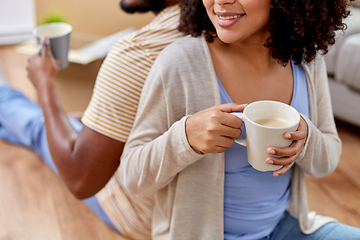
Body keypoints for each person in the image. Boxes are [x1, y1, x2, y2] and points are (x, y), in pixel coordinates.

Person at [119, 0, 360, 239]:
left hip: (287, 227)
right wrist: (186, 137)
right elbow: (132, 177)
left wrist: (306, 138)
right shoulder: (178, 63)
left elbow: (327, 161)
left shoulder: (306, 58)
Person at [0, 0, 184, 238]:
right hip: (192, 213)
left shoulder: (139, 51)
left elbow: (79, 179)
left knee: (39, 128)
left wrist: (44, 84)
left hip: (141, 215)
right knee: (65, 123)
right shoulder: (215, 28)